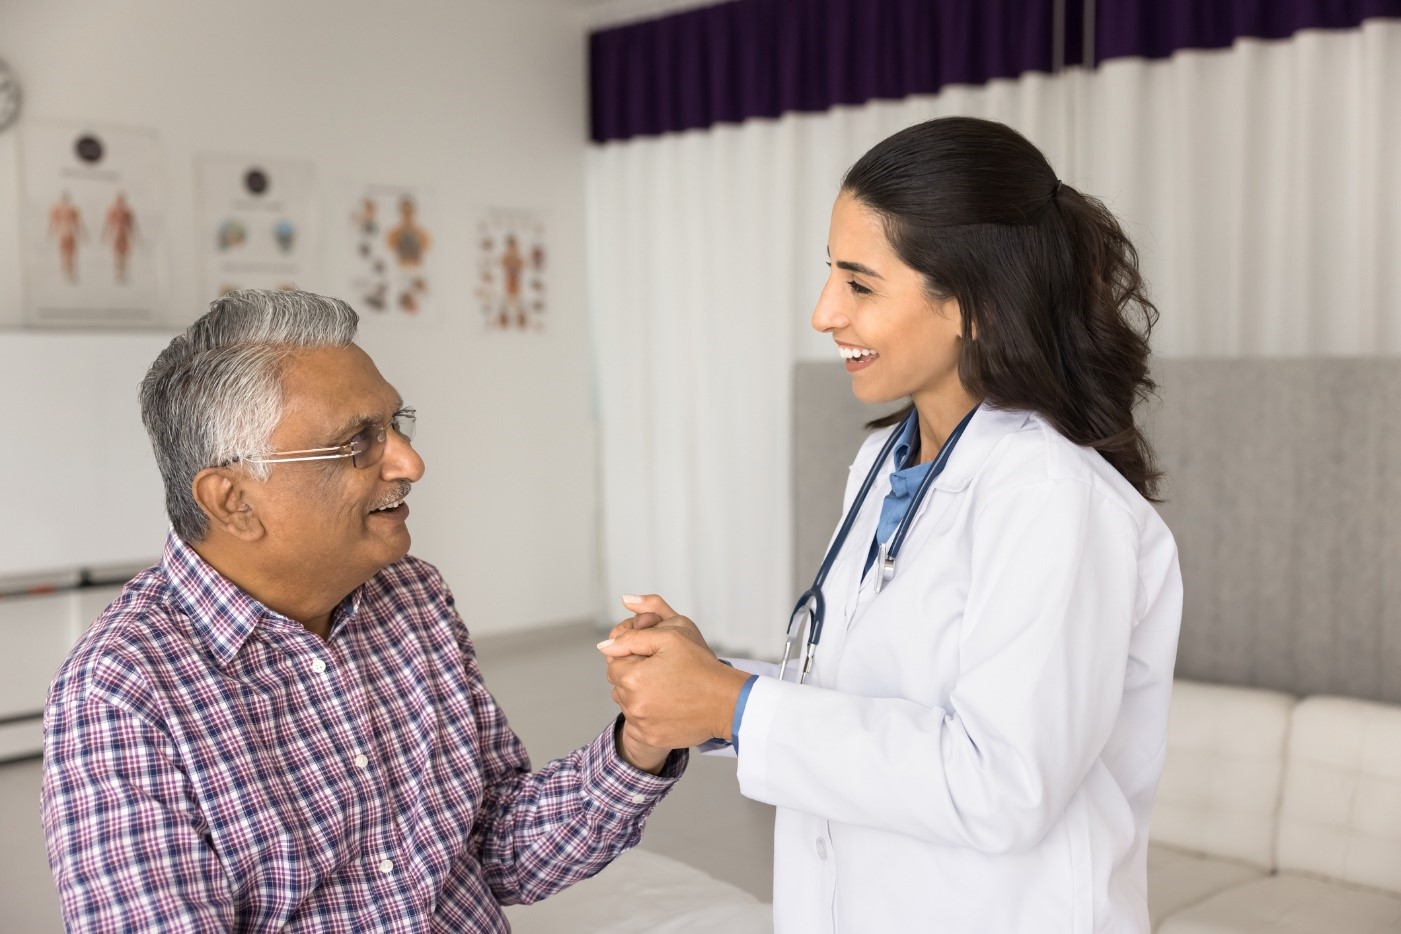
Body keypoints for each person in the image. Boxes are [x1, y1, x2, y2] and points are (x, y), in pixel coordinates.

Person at [599, 116, 1183, 933]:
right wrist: (706, 678)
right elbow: (869, 696)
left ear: (974, 304)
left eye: (859, 284)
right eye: (828, 276)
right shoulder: (883, 465)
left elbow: (1001, 785)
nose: (822, 312)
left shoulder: (1052, 497)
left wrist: (734, 707)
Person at [42, 289, 685, 932]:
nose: (410, 462)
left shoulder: (413, 597)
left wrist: (642, 740)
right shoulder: (120, 693)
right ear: (234, 501)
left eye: (396, 424)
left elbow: (496, 851)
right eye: (359, 441)